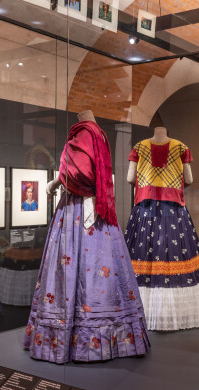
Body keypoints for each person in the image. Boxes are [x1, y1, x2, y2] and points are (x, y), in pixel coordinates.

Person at [23, 110, 149, 363]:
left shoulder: (84, 133)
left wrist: (57, 182)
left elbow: (79, 173)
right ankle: (109, 337)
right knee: (100, 267)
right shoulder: (99, 133)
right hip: (98, 210)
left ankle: (76, 338)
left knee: (76, 267)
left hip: (77, 209)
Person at [124, 121, 199, 331]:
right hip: (173, 211)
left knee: (144, 254)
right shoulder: (181, 147)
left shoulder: (139, 147)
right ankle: (176, 311)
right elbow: (189, 179)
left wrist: (147, 183)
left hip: (145, 210)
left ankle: (143, 308)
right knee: (173, 253)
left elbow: (130, 178)